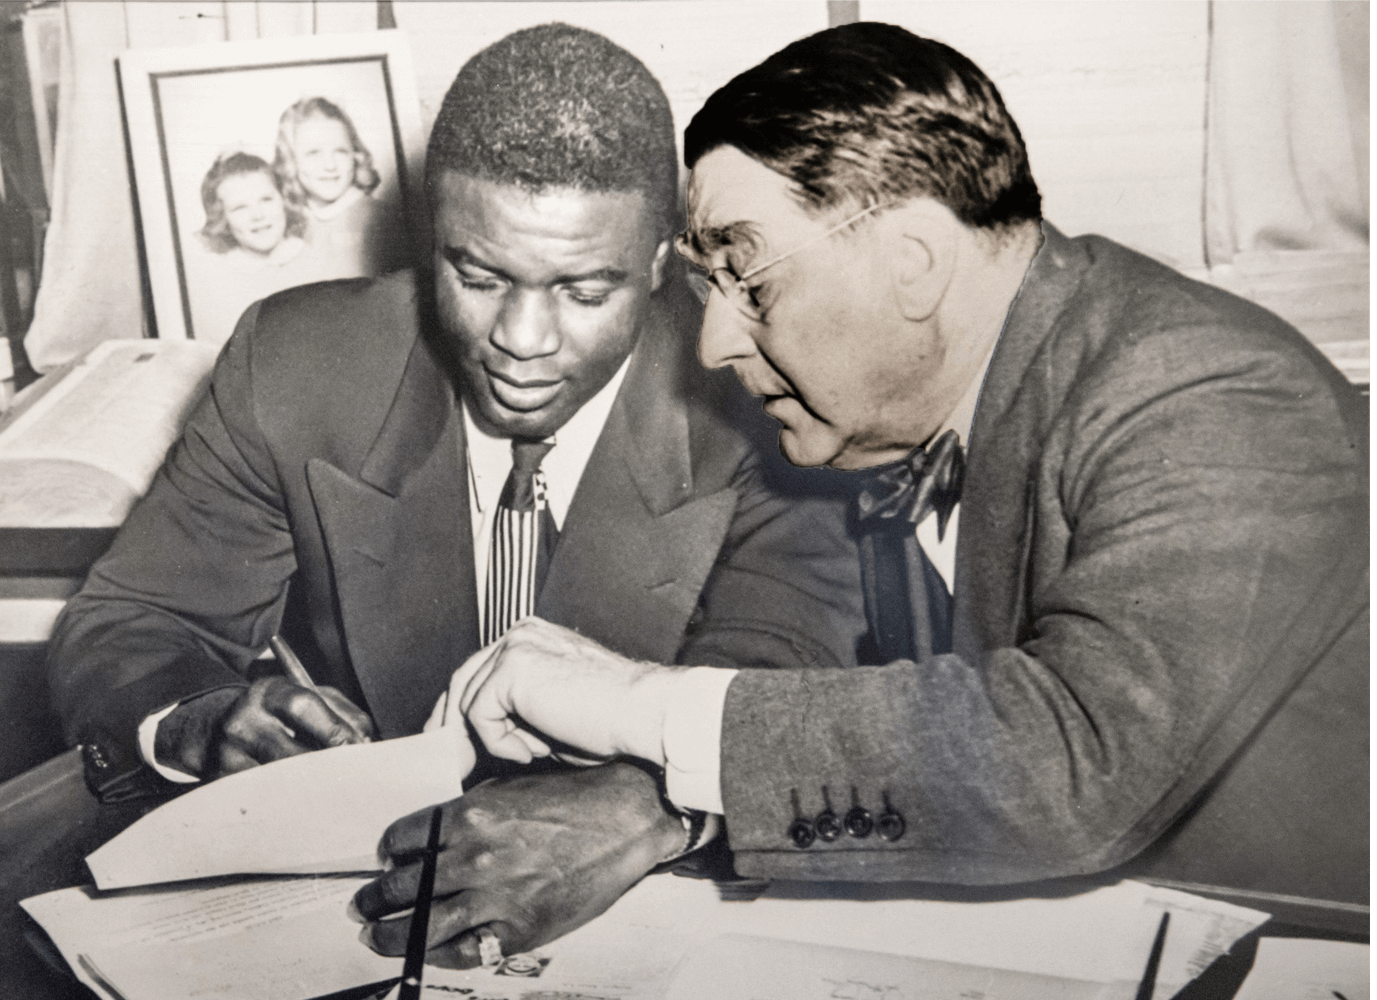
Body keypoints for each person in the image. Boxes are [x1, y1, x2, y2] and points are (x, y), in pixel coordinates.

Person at [424, 18, 1369, 928]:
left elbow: (1078, 758)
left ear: (914, 262)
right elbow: (838, 701)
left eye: (750, 279)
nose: (712, 342)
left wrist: (636, 705)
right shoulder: (882, 422)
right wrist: (657, 800)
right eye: (708, 288)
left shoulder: (1206, 392)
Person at [47, 23, 863, 966]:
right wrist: (193, 719)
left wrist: (650, 803)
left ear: (658, 264)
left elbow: (785, 661)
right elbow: (133, 616)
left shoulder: (765, 398)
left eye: (585, 290)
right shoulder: (295, 364)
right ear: (429, 240)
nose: (521, 338)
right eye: (477, 275)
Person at [186, 150, 324, 342]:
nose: (258, 215)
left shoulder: (318, 262)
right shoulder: (217, 284)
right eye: (240, 208)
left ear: (283, 200)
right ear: (222, 218)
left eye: (266, 200)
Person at [272, 96, 411, 275]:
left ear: (355, 155)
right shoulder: (289, 223)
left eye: (340, 151)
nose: (330, 165)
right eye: (313, 153)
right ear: (290, 161)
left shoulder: (382, 221)